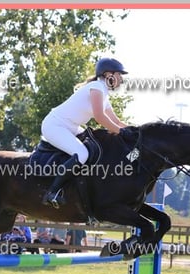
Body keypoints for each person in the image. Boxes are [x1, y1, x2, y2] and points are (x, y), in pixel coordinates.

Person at [41, 57, 132, 208]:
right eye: (119, 74)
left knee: (95, 148)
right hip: (55, 125)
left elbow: (116, 121)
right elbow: (100, 117)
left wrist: (136, 131)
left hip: (70, 127)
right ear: (108, 74)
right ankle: (52, 192)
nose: (121, 79)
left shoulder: (104, 93)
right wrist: (121, 133)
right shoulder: (97, 87)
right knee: (82, 154)